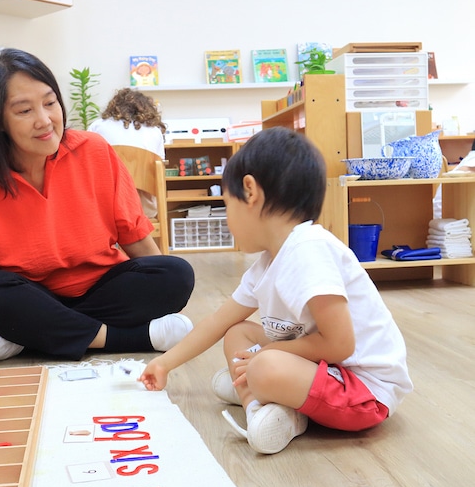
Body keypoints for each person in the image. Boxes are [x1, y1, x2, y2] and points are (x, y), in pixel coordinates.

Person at [139, 127, 412, 455]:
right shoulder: (268, 263)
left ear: (249, 191)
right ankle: (260, 406)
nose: (228, 220)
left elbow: (340, 345)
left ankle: (279, 402)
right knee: (238, 332)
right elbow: (219, 321)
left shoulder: (309, 250)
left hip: (363, 392)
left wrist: (265, 357)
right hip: (323, 370)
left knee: (263, 366)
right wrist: (166, 363)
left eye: (227, 205)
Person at [0, 48, 194, 371]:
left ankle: (31, 335)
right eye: (24, 110)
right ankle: (128, 338)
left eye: (50, 103)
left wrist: (162, 285)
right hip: (28, 298)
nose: (44, 120)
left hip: (97, 291)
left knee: (176, 274)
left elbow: (135, 237)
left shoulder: (93, 151)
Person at [89, 87, 166, 217]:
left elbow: (88, 164)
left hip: (105, 206)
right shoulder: (154, 132)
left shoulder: (97, 126)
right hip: (141, 208)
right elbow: (160, 170)